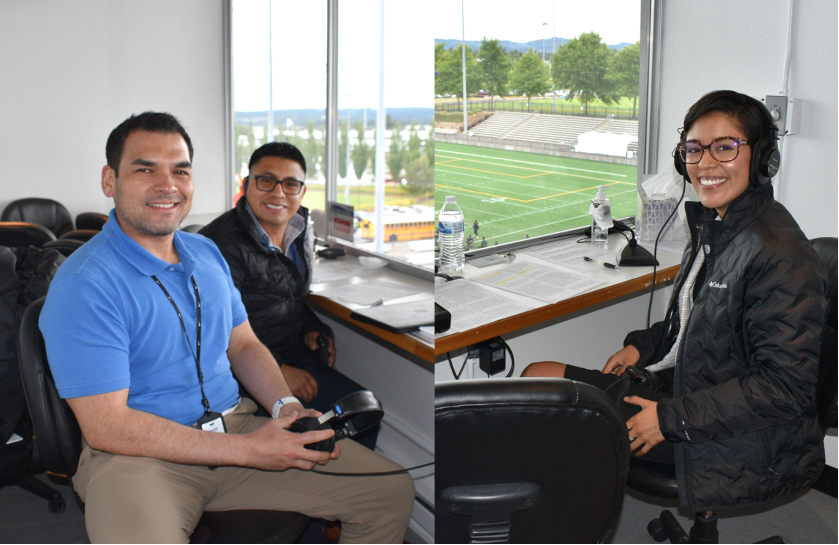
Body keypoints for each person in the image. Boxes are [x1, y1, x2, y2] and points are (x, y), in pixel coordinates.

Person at [39, 112, 414, 543]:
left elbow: (243, 344)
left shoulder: (205, 252)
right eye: (145, 170)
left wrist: (286, 406)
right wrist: (249, 450)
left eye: (181, 171)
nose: (168, 185)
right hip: (137, 457)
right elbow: (108, 427)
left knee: (389, 490)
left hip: (233, 426)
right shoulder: (84, 284)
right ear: (111, 180)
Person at [521, 90, 827, 513]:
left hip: (735, 435)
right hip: (690, 392)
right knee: (538, 376)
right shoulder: (717, 228)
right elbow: (698, 322)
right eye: (694, 150)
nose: (705, 164)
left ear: (762, 159)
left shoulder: (778, 252)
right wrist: (642, 346)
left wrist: (668, 419)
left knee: (544, 416)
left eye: (725, 147)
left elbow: (783, 389)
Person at [200, 143, 377, 448]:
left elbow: (290, 296)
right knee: (321, 433)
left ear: (302, 192)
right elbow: (216, 332)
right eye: (266, 180)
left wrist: (313, 328)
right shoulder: (217, 245)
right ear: (246, 185)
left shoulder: (299, 229)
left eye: (291, 184)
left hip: (290, 354)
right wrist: (281, 371)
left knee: (363, 412)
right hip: (241, 373)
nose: (278, 193)